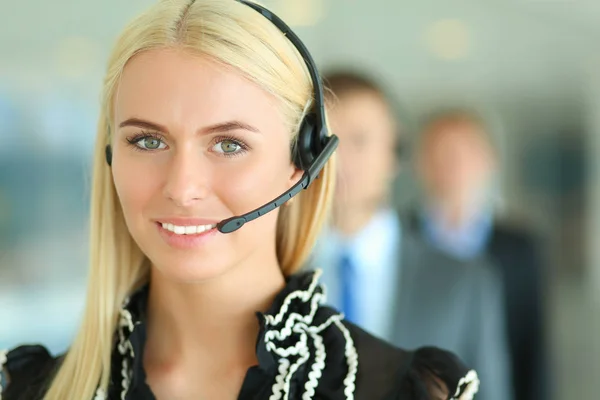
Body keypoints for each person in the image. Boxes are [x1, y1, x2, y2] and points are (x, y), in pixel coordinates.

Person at [0, 1, 480, 399]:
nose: (183, 187)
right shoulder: (33, 390)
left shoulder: (398, 389)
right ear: (110, 155)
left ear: (302, 162)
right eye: (147, 141)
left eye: (229, 145)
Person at [309, 71, 512, 400]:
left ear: (394, 153)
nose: (340, 159)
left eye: (359, 140)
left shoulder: (465, 281)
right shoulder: (272, 274)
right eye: (326, 140)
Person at [411, 109, 548, 400]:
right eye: (442, 153)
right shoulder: (397, 237)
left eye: (465, 153)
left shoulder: (519, 249)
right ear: (421, 163)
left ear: (490, 161)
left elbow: (531, 347)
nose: (454, 165)